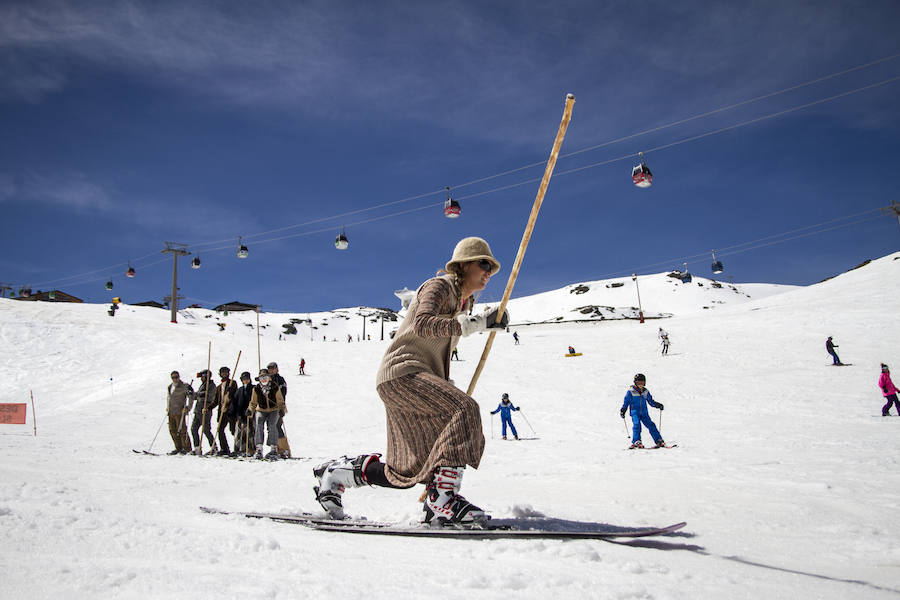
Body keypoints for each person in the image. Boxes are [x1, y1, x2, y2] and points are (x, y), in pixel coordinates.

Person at [313, 236, 509, 525]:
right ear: (465, 264)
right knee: (465, 409)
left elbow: (436, 347)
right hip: (403, 373)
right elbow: (423, 323)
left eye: (491, 267)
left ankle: (336, 475)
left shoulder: (459, 304)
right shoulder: (438, 286)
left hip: (415, 377)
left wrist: (446, 383)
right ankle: (443, 498)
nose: (489, 272)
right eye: (484, 263)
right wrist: (478, 324)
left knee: (412, 468)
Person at [247, 368, 286, 459]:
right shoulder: (256, 389)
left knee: (272, 426)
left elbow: (280, 399)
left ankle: (273, 448)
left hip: (274, 409)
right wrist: (250, 410)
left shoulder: (274, 387)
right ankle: (259, 448)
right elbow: (253, 402)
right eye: (261, 378)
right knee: (259, 425)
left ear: (269, 378)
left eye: (265, 377)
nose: (263, 379)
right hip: (261, 409)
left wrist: (281, 409)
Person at [620, 373, 666, 449]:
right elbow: (626, 402)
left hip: (644, 413)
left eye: (642, 383)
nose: (641, 384)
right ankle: (636, 441)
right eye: (638, 383)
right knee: (637, 425)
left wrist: (658, 405)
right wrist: (623, 410)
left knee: (651, 425)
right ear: (635, 382)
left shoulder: (645, 392)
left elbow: (651, 402)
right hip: (635, 412)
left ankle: (659, 440)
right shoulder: (631, 391)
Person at [190, 369, 219, 455]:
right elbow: (197, 396)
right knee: (194, 428)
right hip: (198, 410)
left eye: (202, 377)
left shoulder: (211, 385)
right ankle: (197, 448)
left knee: (206, 430)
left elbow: (208, 396)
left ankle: (214, 447)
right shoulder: (203, 385)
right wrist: (191, 393)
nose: (201, 378)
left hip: (205, 410)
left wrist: (199, 394)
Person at [166, 371, 194, 455]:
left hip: (180, 411)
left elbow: (191, 397)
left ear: (179, 377)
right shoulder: (170, 386)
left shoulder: (185, 386)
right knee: (172, 430)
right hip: (171, 411)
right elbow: (168, 397)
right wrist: (167, 407)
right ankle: (178, 447)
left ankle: (187, 448)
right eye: (173, 377)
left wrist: (188, 407)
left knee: (182, 430)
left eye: (176, 377)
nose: (175, 379)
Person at [267, 361, 291, 458]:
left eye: (273, 369)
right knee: (270, 427)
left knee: (277, 426)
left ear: (277, 369)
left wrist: (281, 406)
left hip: (278, 406)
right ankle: (275, 448)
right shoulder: (267, 380)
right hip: (268, 407)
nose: (271, 371)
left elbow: (283, 392)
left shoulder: (280, 380)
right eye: (270, 369)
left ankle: (284, 449)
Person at [213, 366, 238, 456]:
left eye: (226, 372)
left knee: (233, 430)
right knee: (220, 430)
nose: (224, 374)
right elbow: (216, 401)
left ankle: (237, 448)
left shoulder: (232, 383)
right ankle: (224, 448)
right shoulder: (219, 387)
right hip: (222, 411)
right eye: (222, 372)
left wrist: (230, 393)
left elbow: (235, 395)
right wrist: (208, 408)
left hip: (231, 411)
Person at [231, 371, 256, 455]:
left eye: (247, 379)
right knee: (239, 432)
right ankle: (238, 449)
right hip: (240, 414)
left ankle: (250, 449)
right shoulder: (240, 390)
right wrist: (233, 412)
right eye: (244, 379)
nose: (245, 380)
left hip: (250, 413)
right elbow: (235, 401)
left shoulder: (253, 388)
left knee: (249, 432)